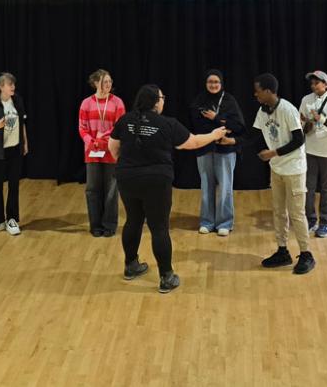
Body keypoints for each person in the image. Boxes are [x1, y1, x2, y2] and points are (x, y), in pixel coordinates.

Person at [108, 85, 227, 294]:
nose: (164, 100)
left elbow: (113, 147)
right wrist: (214, 134)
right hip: (156, 181)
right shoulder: (167, 124)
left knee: (133, 221)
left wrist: (128, 165)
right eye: (162, 97)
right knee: (159, 227)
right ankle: (166, 277)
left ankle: (131, 265)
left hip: (127, 178)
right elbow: (192, 142)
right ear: (156, 102)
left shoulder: (125, 121)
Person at [252, 73, 315, 275]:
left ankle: (306, 254)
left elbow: (299, 140)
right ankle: (282, 251)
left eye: (258, 91)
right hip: (277, 168)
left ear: (268, 91)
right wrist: (234, 142)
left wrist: (273, 153)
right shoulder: (262, 111)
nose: (255, 94)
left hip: (294, 169)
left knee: (297, 213)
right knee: (279, 211)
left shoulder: (287, 109)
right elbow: (256, 136)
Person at [189, 69, 246, 236]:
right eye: (210, 82)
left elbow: (238, 126)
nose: (213, 85)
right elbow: (196, 125)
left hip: (226, 150)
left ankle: (224, 223)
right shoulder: (199, 101)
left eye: (216, 82)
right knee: (206, 186)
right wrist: (222, 127)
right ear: (205, 83)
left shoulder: (229, 100)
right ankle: (207, 221)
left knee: (225, 187)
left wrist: (216, 118)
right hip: (204, 148)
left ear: (221, 83)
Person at [78, 69, 126, 237]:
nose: (108, 84)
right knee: (92, 189)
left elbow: (119, 127)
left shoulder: (117, 102)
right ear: (96, 83)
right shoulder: (86, 103)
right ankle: (95, 225)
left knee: (111, 190)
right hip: (92, 151)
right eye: (105, 81)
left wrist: (102, 138)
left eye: (110, 81)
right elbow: (82, 128)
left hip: (111, 151)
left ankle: (109, 225)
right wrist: (92, 142)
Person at [0, 72, 28, 236]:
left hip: (15, 149)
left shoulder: (18, 101)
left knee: (14, 185)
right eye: (10, 85)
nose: (13, 87)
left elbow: (22, 123)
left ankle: (12, 219)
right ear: (1, 87)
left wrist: (25, 142)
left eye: (13, 84)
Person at [299, 70, 327, 238]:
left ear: (325, 84)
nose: (313, 86)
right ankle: (311, 219)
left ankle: (325, 223)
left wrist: (321, 119)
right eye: (312, 83)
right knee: (308, 188)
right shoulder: (306, 99)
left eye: (317, 82)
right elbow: (300, 123)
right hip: (310, 150)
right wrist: (306, 124)